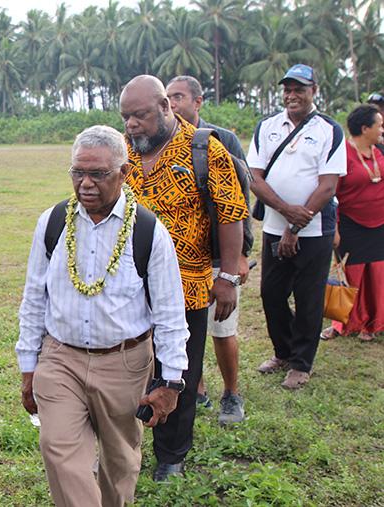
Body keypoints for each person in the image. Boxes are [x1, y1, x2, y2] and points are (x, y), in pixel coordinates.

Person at [16, 125, 189, 507]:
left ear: (124, 173)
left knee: (119, 466)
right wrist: (29, 365)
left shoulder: (148, 231)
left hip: (125, 363)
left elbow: (170, 313)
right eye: (78, 172)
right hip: (60, 358)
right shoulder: (52, 223)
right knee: (61, 453)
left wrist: (172, 381)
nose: (86, 184)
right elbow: (33, 298)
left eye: (99, 174)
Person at [120, 75, 247, 480]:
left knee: (179, 373)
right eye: (125, 117)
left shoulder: (205, 149)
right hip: (130, 288)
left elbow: (231, 213)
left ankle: (171, 455)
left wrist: (227, 276)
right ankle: (126, 443)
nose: (132, 125)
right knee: (130, 367)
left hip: (188, 285)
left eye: (139, 115)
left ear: (164, 107)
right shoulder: (123, 151)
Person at [248, 64, 346, 389]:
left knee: (308, 297)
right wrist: (285, 212)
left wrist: (296, 224)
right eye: (288, 89)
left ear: (313, 91)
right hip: (275, 226)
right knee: (271, 294)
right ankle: (283, 351)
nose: (292, 95)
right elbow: (255, 178)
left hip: (316, 230)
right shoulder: (267, 126)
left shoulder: (330, 130)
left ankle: (301, 363)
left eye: (299, 89)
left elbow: (327, 186)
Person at [166, 75, 253, 425]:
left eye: (179, 97)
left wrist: (240, 257)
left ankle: (231, 394)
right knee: (186, 330)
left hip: (219, 257)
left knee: (222, 328)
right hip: (181, 257)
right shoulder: (163, 141)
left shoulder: (221, 140)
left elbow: (240, 199)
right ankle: (196, 389)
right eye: (167, 98)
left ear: (198, 102)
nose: (172, 104)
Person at [321, 105, 384, 341]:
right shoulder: (343, 154)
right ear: (365, 128)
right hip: (351, 224)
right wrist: (334, 228)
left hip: (380, 224)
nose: (382, 129)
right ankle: (346, 322)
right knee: (352, 275)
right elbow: (332, 196)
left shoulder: (380, 150)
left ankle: (374, 322)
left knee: (377, 273)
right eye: (379, 125)